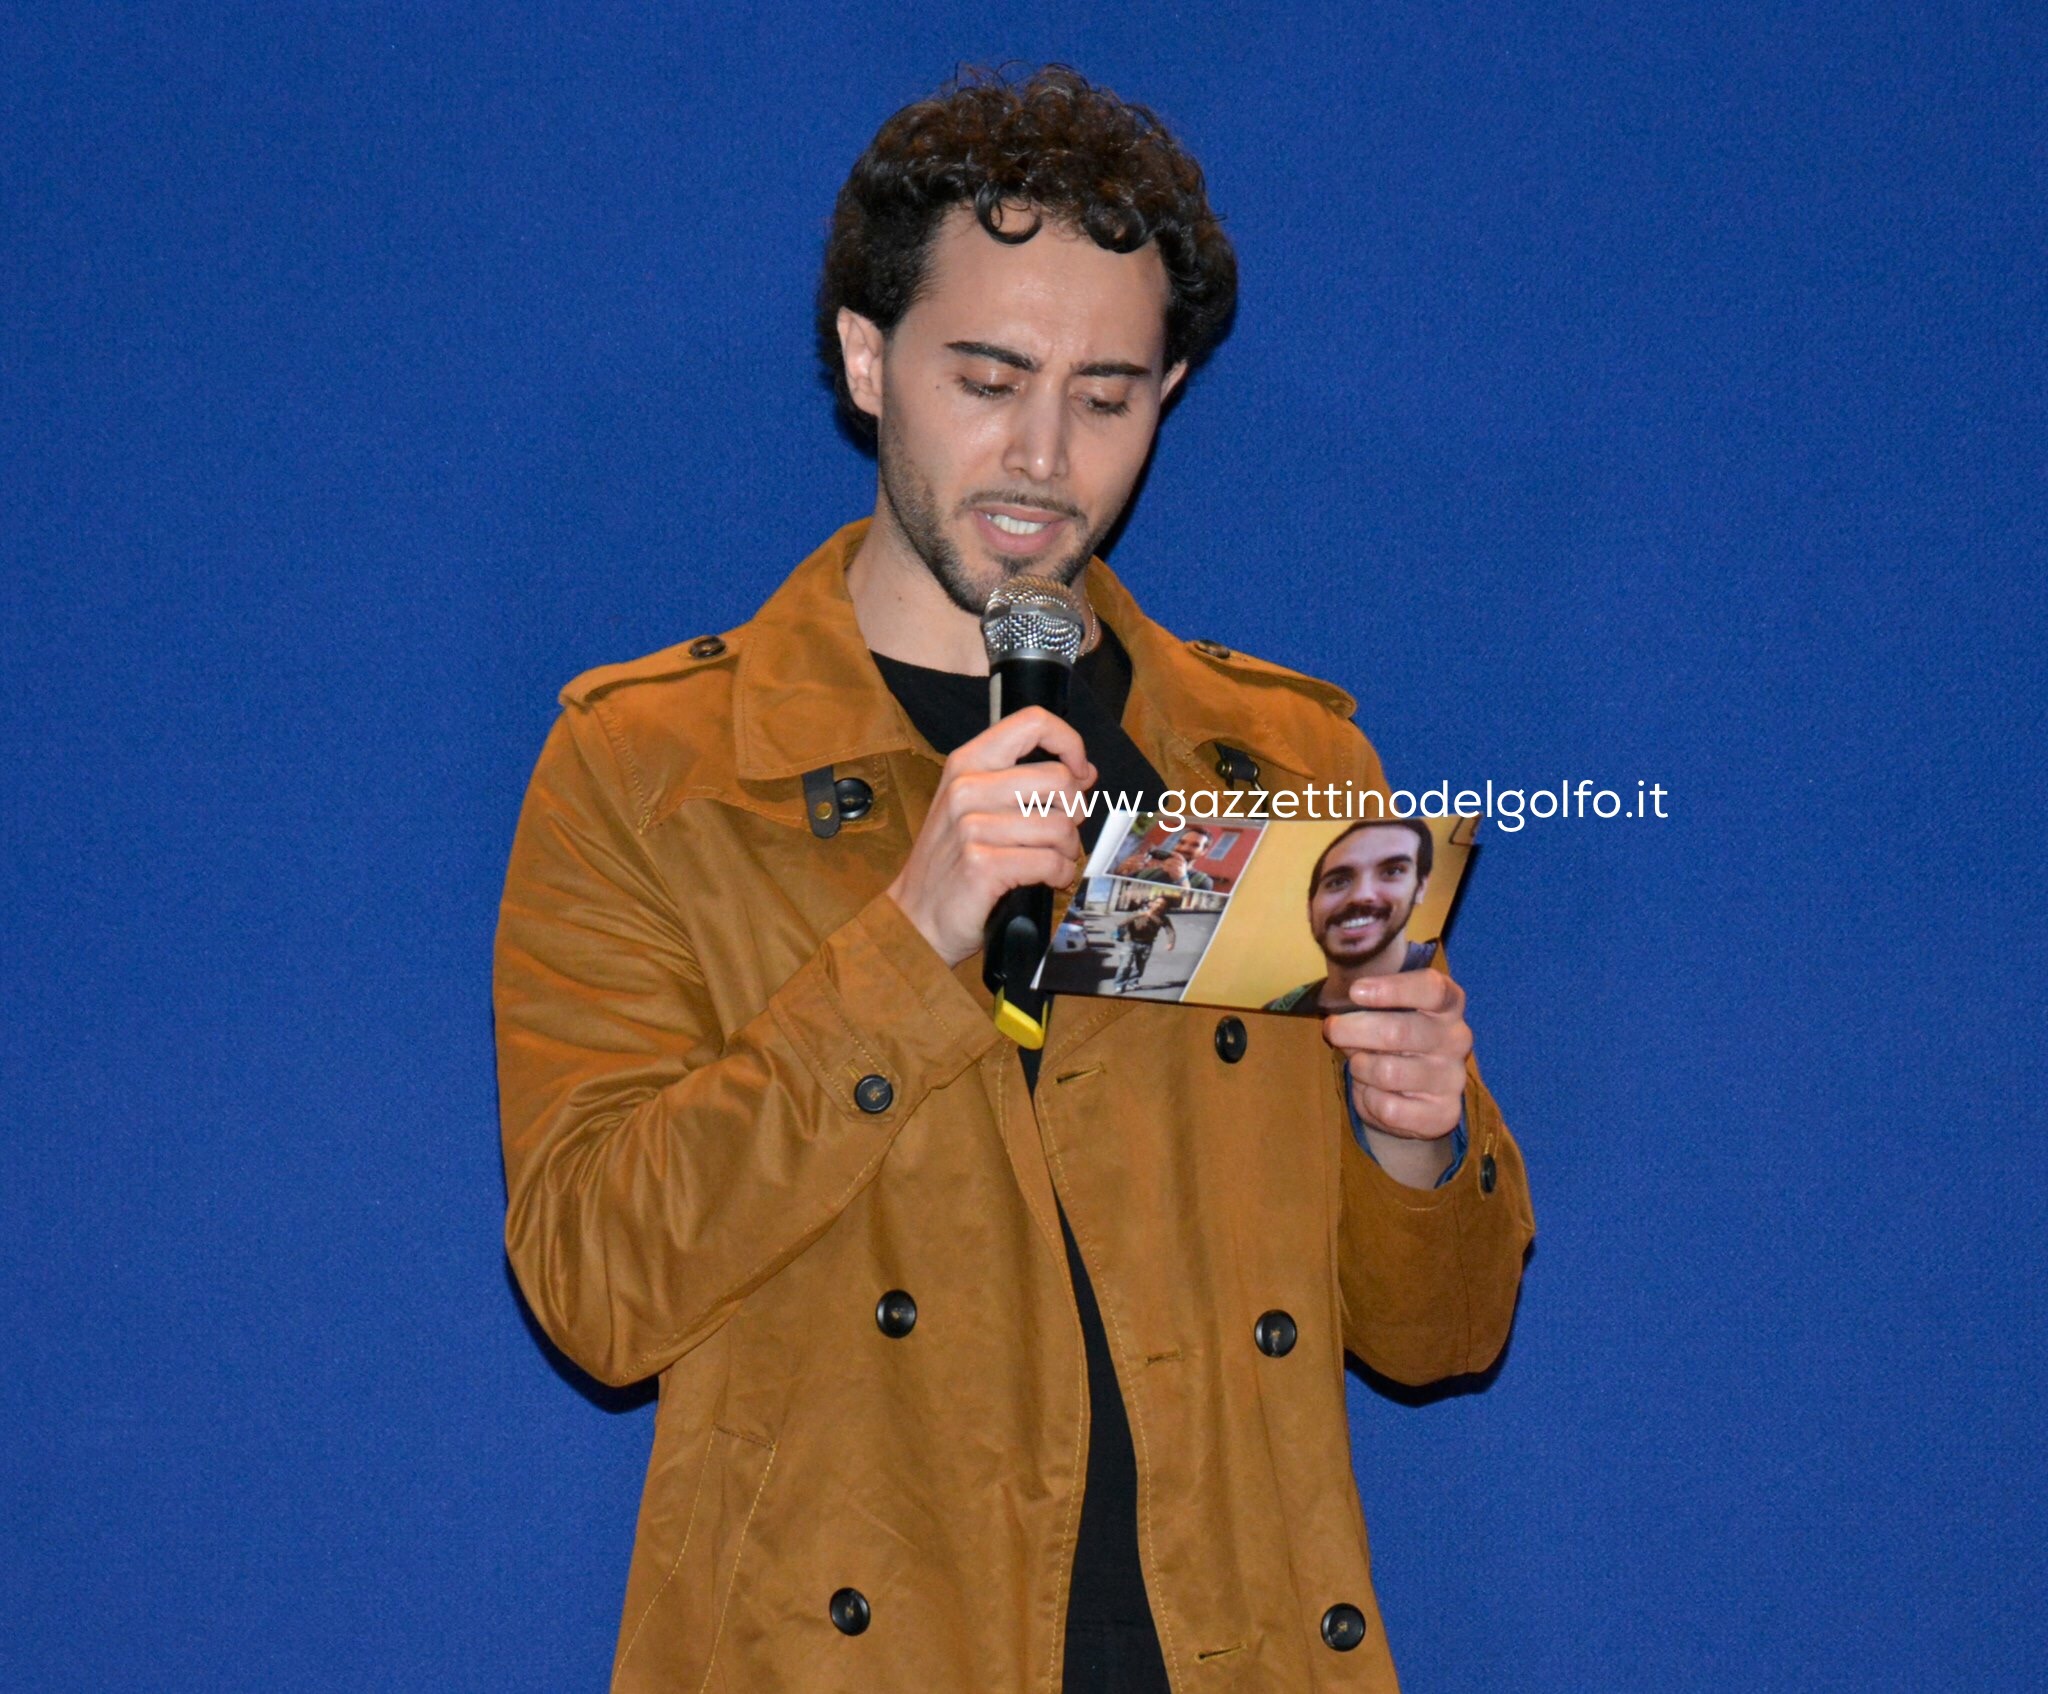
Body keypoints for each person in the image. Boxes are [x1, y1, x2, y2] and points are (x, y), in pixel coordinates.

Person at [494, 65, 1533, 1694]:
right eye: (987, 377)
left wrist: (1413, 1141)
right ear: (867, 359)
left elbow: (1439, 1334)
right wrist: (906, 940)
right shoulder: (659, 769)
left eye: (1106, 396)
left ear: (1168, 391)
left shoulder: (1285, 764)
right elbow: (595, 1285)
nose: (1041, 456)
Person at [1265, 819, 1441, 1015]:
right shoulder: (1278, 1013)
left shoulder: (1453, 976)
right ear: (1310, 908)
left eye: (1392, 871)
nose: (1360, 895)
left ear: (1420, 888)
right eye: (1338, 882)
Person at [1112, 825, 1216, 889]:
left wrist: (1181, 880)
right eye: (1181, 842)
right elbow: (1116, 888)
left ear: (1203, 851)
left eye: (1195, 845)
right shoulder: (1147, 870)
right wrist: (1120, 872)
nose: (1184, 848)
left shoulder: (1203, 881)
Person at [1112, 893, 1178, 990]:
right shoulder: (1137, 913)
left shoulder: (1163, 918)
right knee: (1125, 965)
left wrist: (1171, 943)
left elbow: (1170, 931)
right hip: (1130, 942)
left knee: (1140, 966)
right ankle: (1119, 984)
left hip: (1147, 944)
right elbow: (1120, 924)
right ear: (1151, 903)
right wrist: (1140, 915)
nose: (1159, 906)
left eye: (1162, 904)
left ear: (1164, 907)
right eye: (1157, 903)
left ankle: (1133, 982)